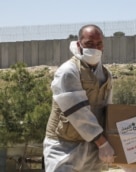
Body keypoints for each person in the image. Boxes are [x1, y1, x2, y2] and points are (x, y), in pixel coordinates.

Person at [43, 24, 115, 171]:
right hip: (65, 146)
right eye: (89, 43)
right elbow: (77, 112)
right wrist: (103, 143)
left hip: (94, 147)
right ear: (79, 44)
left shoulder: (106, 75)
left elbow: (109, 110)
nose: (94, 47)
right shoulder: (68, 71)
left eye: (99, 43)